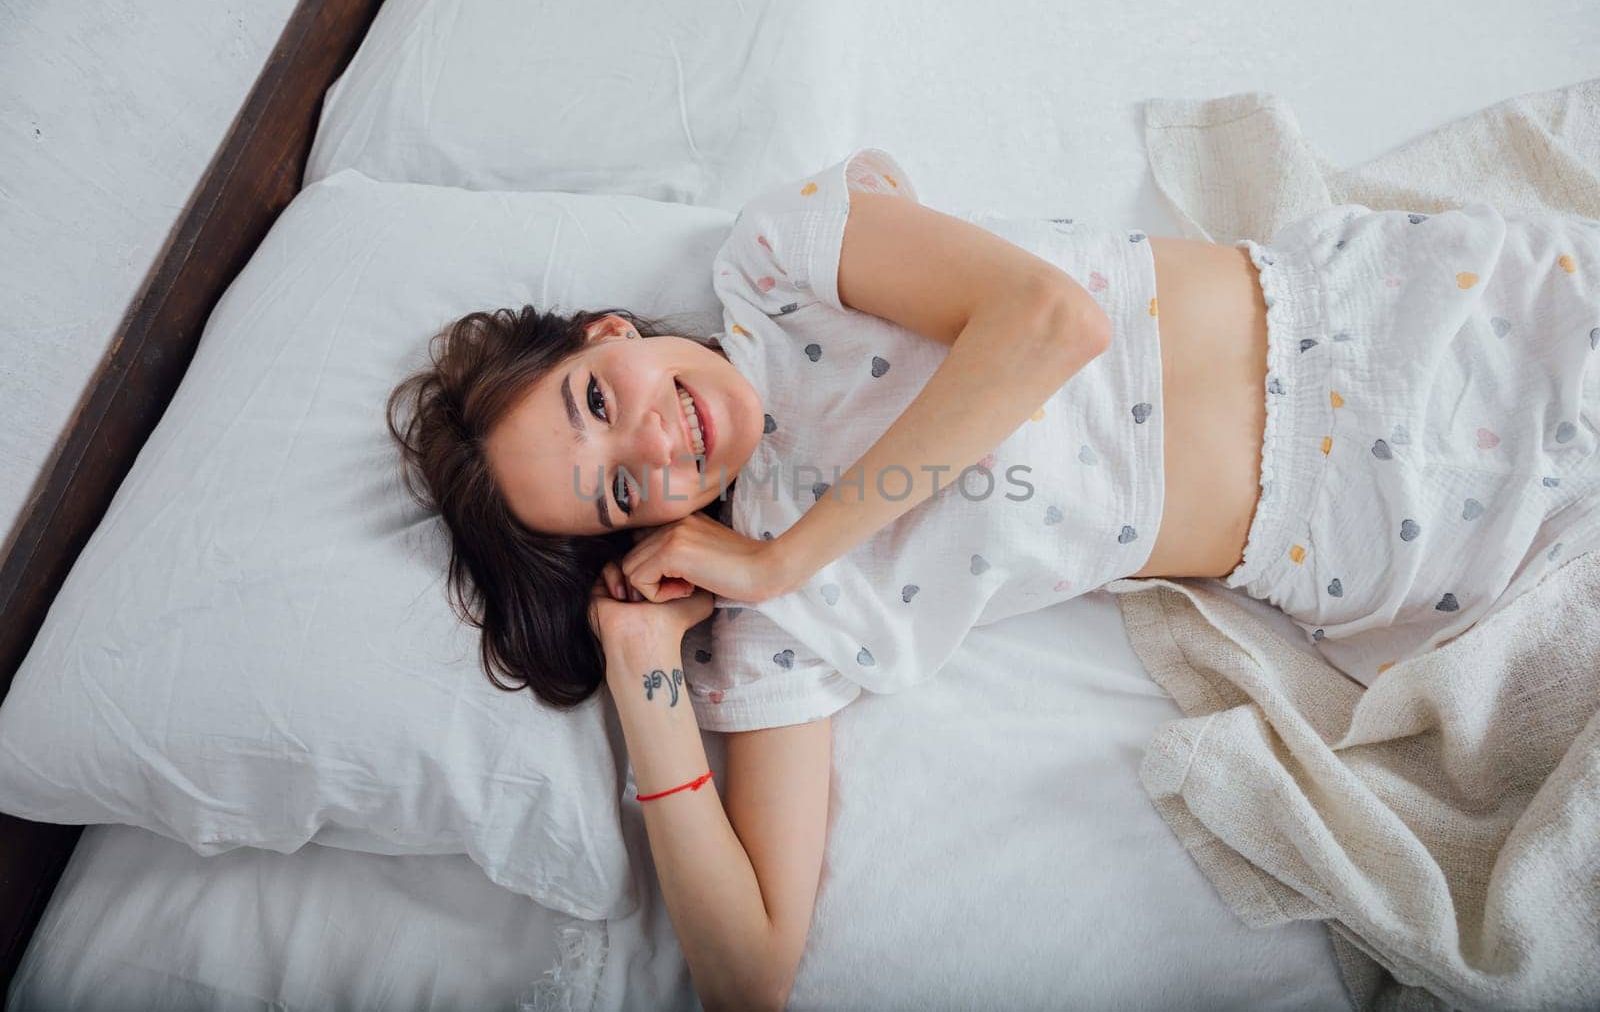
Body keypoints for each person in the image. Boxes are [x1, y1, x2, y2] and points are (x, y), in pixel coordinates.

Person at [387, 148, 1599, 1008]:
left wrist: (783, 552)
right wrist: (642, 669)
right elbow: (747, 975)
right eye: (615, 489)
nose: (653, 443)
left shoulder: (774, 262)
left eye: (599, 401)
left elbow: (1050, 320)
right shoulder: (771, 635)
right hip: (1391, 534)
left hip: (1412, 317)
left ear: (607, 333)